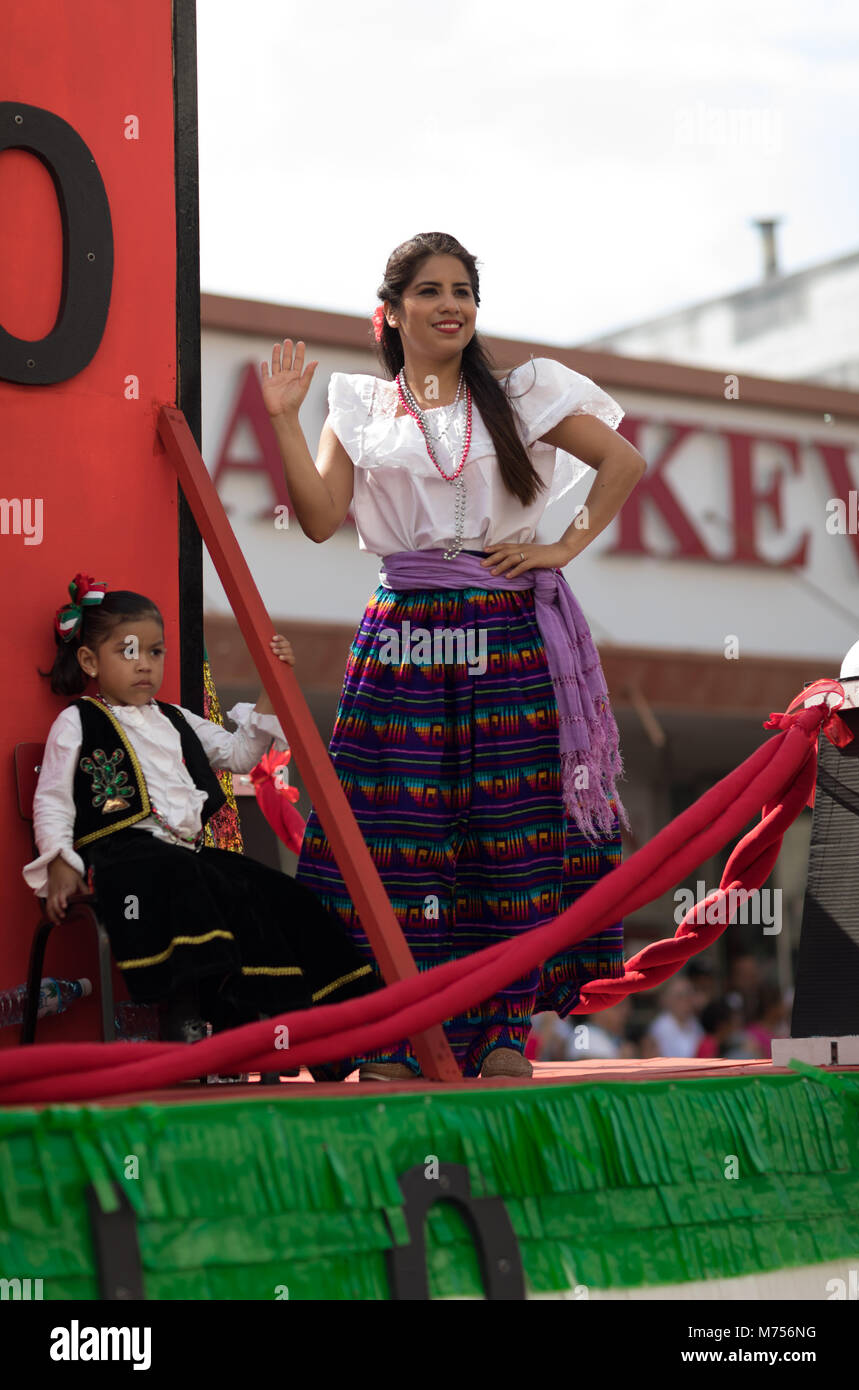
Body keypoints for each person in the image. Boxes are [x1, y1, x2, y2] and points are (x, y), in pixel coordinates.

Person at [260, 231, 646, 1082]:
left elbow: (622, 461)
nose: (450, 307)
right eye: (430, 292)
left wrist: (561, 549)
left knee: (510, 834)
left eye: (463, 291)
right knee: (394, 833)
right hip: (403, 639)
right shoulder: (360, 405)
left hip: (508, 639)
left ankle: (503, 1033)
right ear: (390, 312)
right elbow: (322, 516)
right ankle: (392, 1034)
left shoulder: (523, 392)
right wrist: (286, 417)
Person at [23, 573, 378, 1044]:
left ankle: (304, 1023)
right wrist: (61, 864)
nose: (144, 664)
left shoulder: (176, 718)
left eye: (154, 651)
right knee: (184, 875)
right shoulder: (78, 721)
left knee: (272, 889)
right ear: (90, 659)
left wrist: (275, 684)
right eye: (128, 651)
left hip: (181, 856)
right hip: (120, 858)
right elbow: (52, 799)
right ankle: (189, 1010)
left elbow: (238, 756)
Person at [641, 978, 704, 1058]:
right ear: (668, 999)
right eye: (680, 996)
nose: (686, 1000)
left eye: (689, 995)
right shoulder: (660, 1027)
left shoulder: (695, 1023)